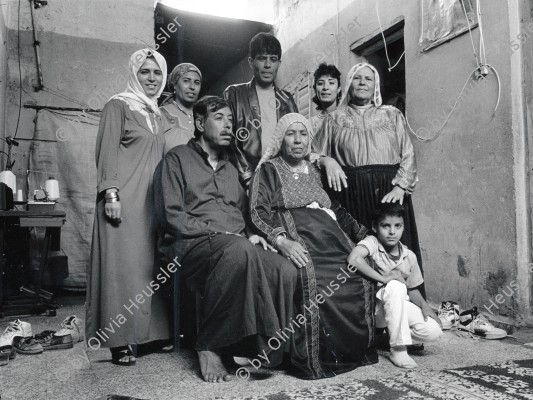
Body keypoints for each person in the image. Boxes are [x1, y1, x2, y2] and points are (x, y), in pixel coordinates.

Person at [154, 96, 297, 383]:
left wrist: (255, 235)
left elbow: (245, 216)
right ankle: (208, 345)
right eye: (219, 118)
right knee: (237, 249)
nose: (228, 125)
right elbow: (171, 216)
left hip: (235, 243)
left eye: (231, 120)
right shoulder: (176, 159)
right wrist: (225, 236)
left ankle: (271, 350)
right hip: (190, 247)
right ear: (199, 123)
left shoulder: (231, 169)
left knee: (284, 268)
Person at [249, 113, 378, 380]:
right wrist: (281, 241)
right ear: (280, 139)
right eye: (290, 134)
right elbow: (257, 211)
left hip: (330, 237)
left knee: (359, 275)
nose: (297, 140)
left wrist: (366, 236)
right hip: (299, 237)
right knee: (315, 280)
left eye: (303, 134)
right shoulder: (269, 169)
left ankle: (353, 351)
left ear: (310, 139)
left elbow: (337, 209)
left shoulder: (317, 169)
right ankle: (317, 358)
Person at [87, 49, 171, 366]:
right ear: (135, 74)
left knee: (147, 268)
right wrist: (110, 194)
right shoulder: (117, 105)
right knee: (121, 270)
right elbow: (106, 152)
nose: (151, 79)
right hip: (122, 199)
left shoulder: (156, 113)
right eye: (145, 72)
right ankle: (119, 342)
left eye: (157, 73)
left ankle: (146, 337)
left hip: (151, 202)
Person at [312, 62, 425, 296]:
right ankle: (367, 321)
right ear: (349, 84)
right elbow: (312, 152)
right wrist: (327, 161)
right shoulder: (333, 119)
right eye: (357, 78)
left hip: (390, 191)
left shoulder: (392, 114)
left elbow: (408, 153)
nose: (362, 82)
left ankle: (412, 309)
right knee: (359, 250)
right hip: (351, 194)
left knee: (398, 250)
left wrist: (401, 187)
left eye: (368, 79)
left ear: (375, 86)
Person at [347, 203, 442, 369]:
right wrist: (384, 279)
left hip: (396, 308)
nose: (392, 232)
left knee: (433, 330)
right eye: (385, 226)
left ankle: (385, 339)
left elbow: (412, 288)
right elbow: (353, 259)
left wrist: (425, 306)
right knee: (394, 286)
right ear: (375, 227)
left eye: (398, 226)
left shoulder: (409, 256)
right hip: (373, 309)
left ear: (403, 227)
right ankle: (398, 349)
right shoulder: (372, 243)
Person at [224, 32, 298, 185]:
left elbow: (296, 140)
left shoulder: (287, 100)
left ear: (279, 63)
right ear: (251, 62)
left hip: (282, 180)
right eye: (262, 58)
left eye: (273, 59)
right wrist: (248, 178)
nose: (267, 65)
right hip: (244, 180)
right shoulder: (234, 94)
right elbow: (228, 141)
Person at [160, 63, 202, 154]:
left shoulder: (205, 115)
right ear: (174, 85)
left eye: (197, 82)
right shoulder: (160, 115)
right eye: (186, 81)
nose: (192, 87)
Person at [310, 63, 342, 133]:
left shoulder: (347, 120)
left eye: (331, 83)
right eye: (320, 83)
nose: (325, 88)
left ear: (339, 88)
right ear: (315, 89)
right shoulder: (309, 124)